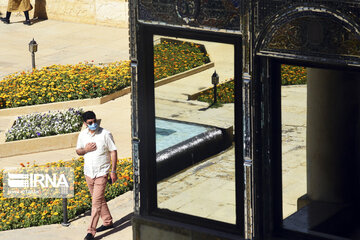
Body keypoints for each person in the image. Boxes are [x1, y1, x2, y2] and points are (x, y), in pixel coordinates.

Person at [76, 111, 118, 240]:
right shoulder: (82, 135)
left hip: (102, 173)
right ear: (85, 124)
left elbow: (113, 152)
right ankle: (107, 221)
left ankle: (91, 231)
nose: (93, 124)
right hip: (88, 173)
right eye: (90, 123)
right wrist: (86, 150)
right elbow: (78, 151)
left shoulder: (105, 134)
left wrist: (113, 171)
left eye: (95, 121)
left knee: (96, 203)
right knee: (99, 199)